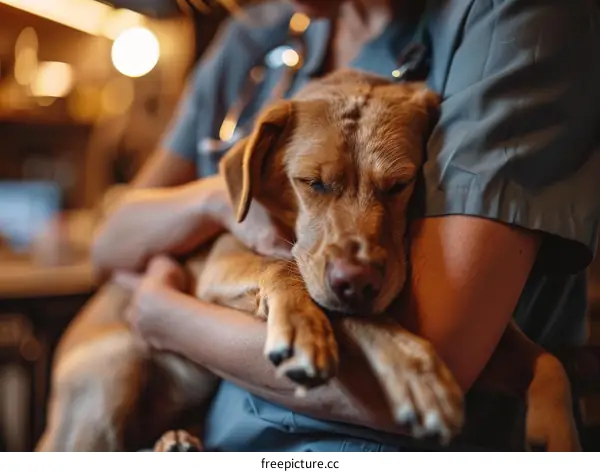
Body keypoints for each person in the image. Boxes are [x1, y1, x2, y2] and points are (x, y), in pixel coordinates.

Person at [88, 0, 600, 451]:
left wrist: (166, 317)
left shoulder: (507, 22)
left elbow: (427, 368)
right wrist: (214, 202)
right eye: (312, 183)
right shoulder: (255, 36)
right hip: (204, 424)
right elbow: (110, 243)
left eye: (396, 186)